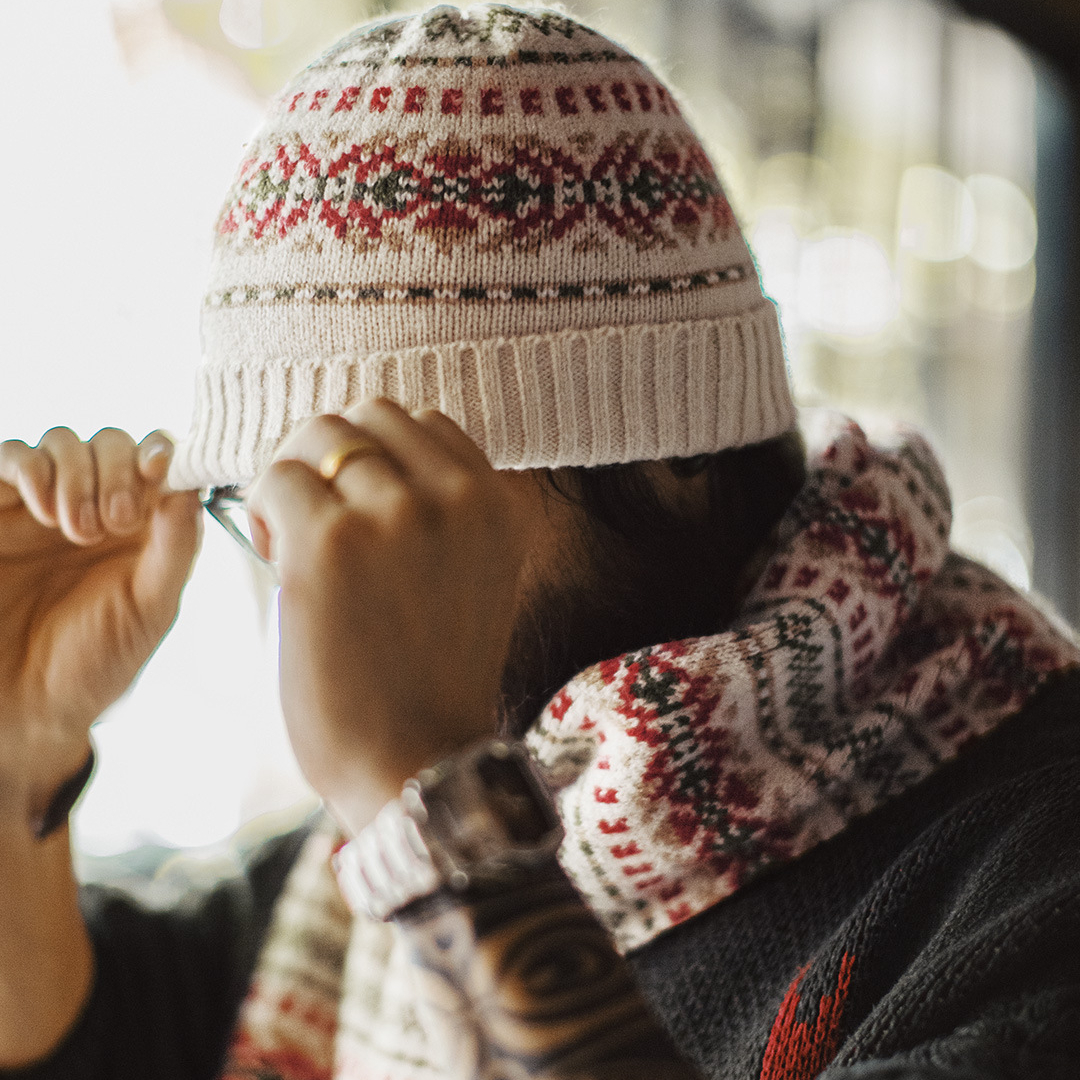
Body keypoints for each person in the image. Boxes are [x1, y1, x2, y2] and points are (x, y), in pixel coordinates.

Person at [1, 4, 1079, 1079]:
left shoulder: (1026, 868)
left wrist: (435, 807)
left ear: (673, 450)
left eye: (380, 491)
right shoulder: (354, 887)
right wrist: (21, 754)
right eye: (269, 509)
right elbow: (86, 1045)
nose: (319, 579)